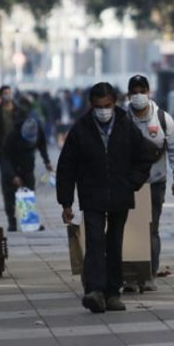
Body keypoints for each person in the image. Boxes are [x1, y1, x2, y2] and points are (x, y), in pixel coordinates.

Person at [57, 82, 155, 313]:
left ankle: (113, 292)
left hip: (120, 194)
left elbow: (145, 156)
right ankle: (95, 291)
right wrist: (66, 202)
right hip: (92, 195)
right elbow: (66, 167)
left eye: (107, 105)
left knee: (114, 243)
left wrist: (132, 182)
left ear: (114, 103)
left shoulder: (125, 124)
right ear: (92, 105)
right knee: (94, 242)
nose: (103, 110)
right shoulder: (81, 129)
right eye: (99, 106)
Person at [127, 74, 174, 291]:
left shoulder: (162, 119)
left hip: (154, 184)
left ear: (148, 93)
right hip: (129, 185)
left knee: (151, 230)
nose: (138, 95)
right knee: (129, 230)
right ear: (128, 94)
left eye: (142, 90)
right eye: (134, 91)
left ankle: (150, 274)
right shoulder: (122, 117)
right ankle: (131, 277)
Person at [0, 117, 50, 232]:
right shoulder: (12, 135)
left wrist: (46, 161)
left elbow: (42, 146)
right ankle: (12, 222)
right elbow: (5, 157)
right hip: (12, 165)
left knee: (28, 193)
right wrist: (13, 176)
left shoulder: (39, 132)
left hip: (27, 166)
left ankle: (28, 221)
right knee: (9, 195)